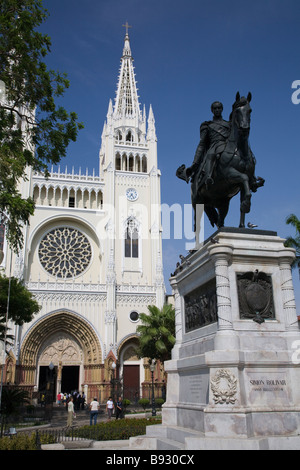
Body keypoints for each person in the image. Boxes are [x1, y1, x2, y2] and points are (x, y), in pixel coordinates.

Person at [178, 101, 231, 188]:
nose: (217, 110)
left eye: (219, 108)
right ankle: (208, 176)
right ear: (212, 110)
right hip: (214, 147)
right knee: (211, 155)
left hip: (226, 146)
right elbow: (202, 143)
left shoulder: (229, 125)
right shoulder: (207, 125)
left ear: (222, 109)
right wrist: (195, 163)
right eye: (215, 108)